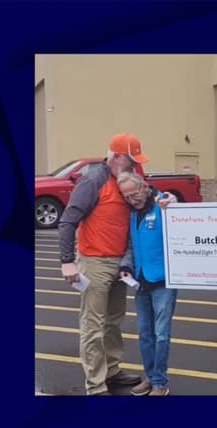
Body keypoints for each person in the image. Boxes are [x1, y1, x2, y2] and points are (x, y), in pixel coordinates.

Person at [58, 133, 147, 396]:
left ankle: (111, 371)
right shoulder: (93, 180)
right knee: (93, 325)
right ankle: (96, 386)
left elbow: (148, 198)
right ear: (117, 157)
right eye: (132, 161)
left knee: (113, 322)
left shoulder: (125, 180)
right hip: (95, 262)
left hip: (120, 264)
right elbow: (68, 221)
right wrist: (67, 262)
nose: (136, 166)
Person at [117, 172, 178, 396]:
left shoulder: (163, 204)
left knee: (161, 334)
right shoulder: (133, 213)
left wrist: (174, 204)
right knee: (145, 334)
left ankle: (160, 382)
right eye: (126, 197)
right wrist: (127, 266)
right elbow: (132, 246)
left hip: (163, 281)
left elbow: (184, 223)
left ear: (144, 187)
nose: (132, 199)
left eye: (134, 194)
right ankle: (150, 377)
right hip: (140, 282)